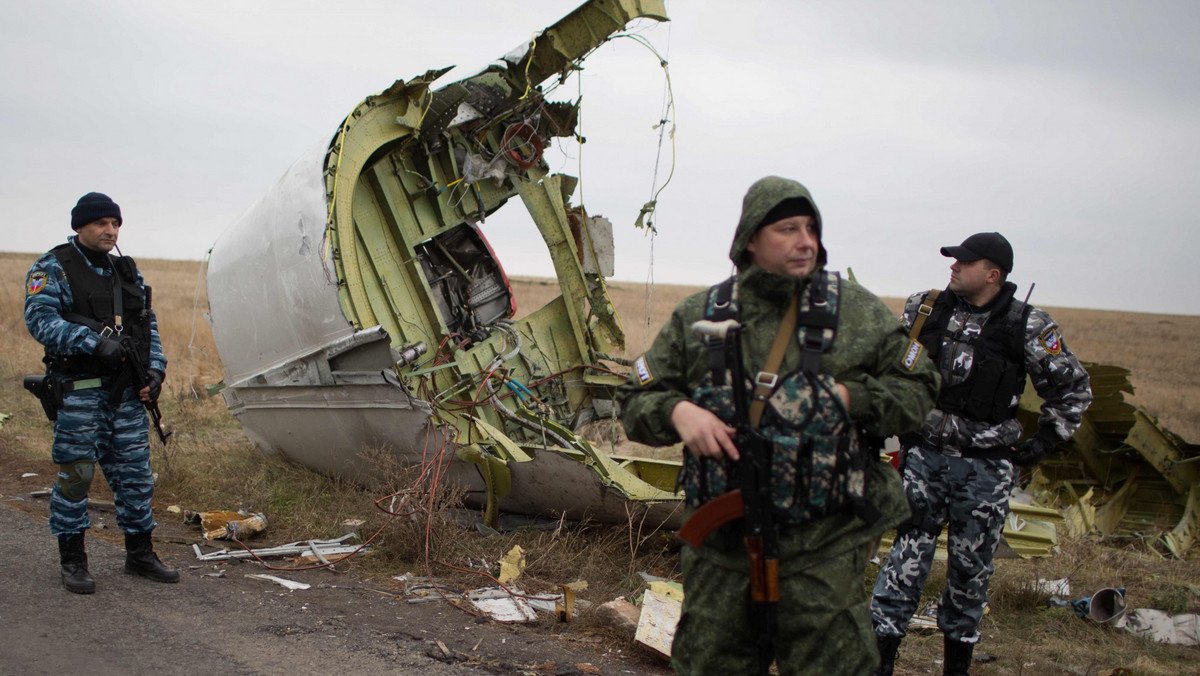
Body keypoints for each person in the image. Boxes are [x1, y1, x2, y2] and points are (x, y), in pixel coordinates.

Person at [617, 176, 939, 675]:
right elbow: (637, 398)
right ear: (750, 239)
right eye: (787, 228)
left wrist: (853, 397)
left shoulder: (855, 313)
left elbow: (919, 389)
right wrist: (679, 412)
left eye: (811, 228)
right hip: (723, 549)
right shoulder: (699, 316)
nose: (806, 240)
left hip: (825, 546)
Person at [870, 232, 1092, 675]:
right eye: (953, 260)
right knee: (900, 569)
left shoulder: (1026, 324)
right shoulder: (923, 308)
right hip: (923, 460)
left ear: (993, 274)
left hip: (985, 470)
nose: (953, 267)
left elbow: (1073, 389)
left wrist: (1044, 441)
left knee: (969, 577)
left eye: (964, 262)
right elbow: (885, 369)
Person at [24, 192, 178, 594]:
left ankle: (139, 554)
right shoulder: (54, 266)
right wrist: (92, 342)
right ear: (80, 226)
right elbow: (40, 321)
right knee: (77, 476)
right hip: (78, 393)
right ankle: (73, 560)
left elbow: (148, 328)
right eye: (101, 224)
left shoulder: (125, 272)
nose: (110, 231)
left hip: (125, 395)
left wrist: (155, 372)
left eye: (116, 224)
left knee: (135, 478)